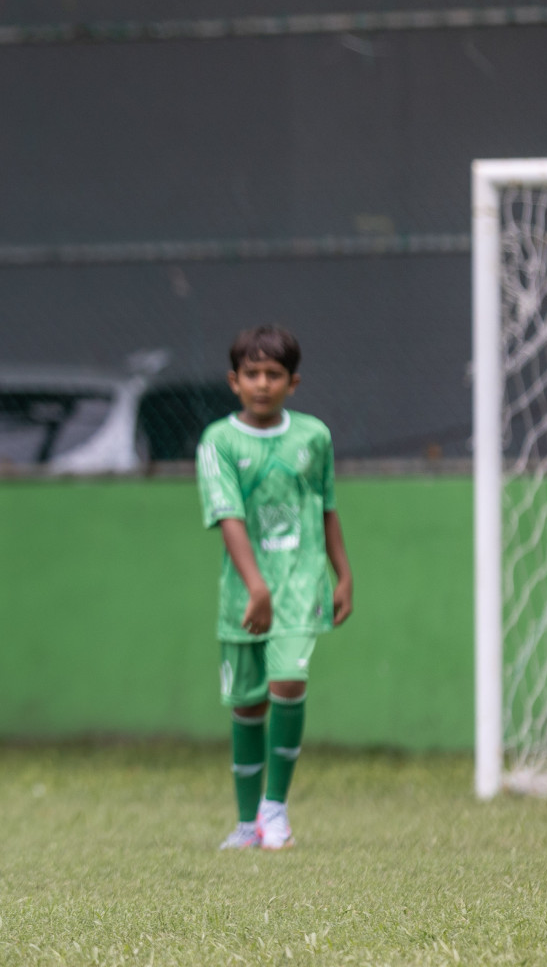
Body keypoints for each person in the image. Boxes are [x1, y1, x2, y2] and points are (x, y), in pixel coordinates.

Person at [195, 324, 354, 852]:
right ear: (233, 381)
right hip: (245, 591)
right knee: (247, 705)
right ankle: (246, 824)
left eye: (274, 374)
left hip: (301, 583)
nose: (263, 383)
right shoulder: (217, 442)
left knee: (287, 681)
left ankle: (276, 808)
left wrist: (343, 572)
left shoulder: (314, 437)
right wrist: (255, 587)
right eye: (252, 374)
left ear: (294, 382)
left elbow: (326, 506)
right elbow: (228, 516)